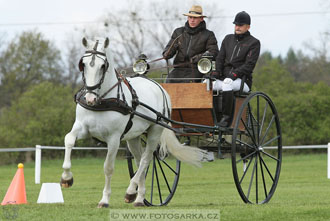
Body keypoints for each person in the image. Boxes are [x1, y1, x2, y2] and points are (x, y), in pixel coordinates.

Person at [212, 11, 261, 127]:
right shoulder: (228, 39)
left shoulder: (254, 43)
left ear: (248, 27)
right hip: (224, 77)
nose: (237, 27)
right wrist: (216, 72)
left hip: (242, 80)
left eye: (241, 25)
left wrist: (234, 75)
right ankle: (213, 117)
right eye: (236, 25)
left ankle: (226, 119)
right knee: (208, 84)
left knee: (227, 85)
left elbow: (249, 66)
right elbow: (220, 58)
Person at [163, 5, 218, 83]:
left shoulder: (209, 35)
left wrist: (199, 57)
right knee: (169, 81)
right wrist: (166, 53)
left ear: (201, 19)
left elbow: (214, 52)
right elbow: (169, 48)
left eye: (195, 18)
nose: (192, 20)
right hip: (178, 69)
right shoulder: (178, 32)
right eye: (190, 17)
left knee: (188, 83)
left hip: (197, 69)